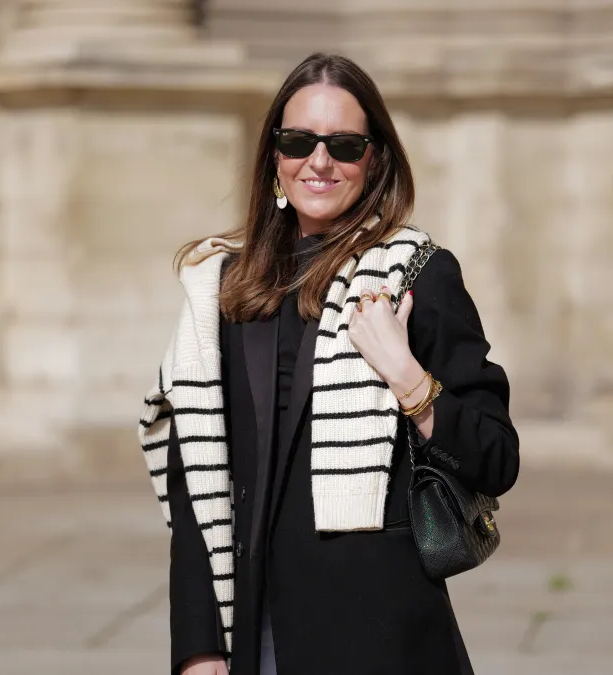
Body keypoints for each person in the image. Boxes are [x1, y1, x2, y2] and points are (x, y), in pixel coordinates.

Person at [138, 52, 520, 675]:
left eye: (344, 145)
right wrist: (198, 645)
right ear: (274, 157)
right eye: (299, 141)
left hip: (379, 634)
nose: (319, 161)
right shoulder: (222, 290)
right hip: (252, 626)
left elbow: (497, 458)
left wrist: (409, 378)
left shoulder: (418, 275)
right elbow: (195, 480)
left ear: (374, 161)